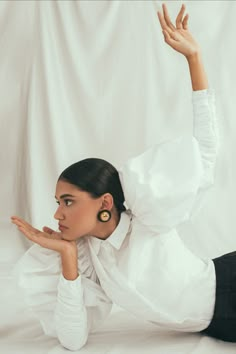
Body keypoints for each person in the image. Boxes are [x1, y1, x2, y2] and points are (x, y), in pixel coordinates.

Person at [11, 3, 232, 351]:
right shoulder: (92, 262)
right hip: (221, 322)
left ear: (105, 202)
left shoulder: (148, 219)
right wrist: (67, 257)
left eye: (68, 201)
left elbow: (204, 152)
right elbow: (72, 339)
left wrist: (194, 60)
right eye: (58, 203)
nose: (57, 214)